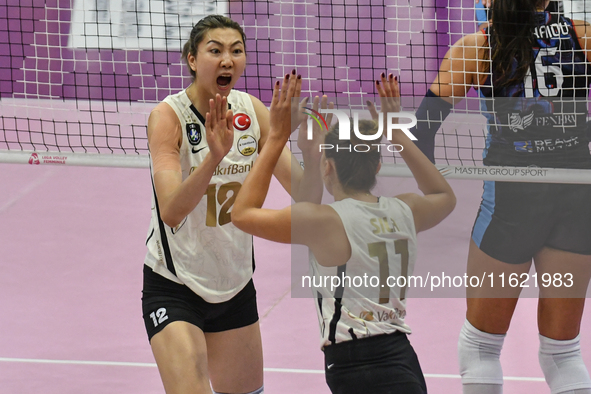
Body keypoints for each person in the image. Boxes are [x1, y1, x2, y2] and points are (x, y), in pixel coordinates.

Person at [231, 74, 456, 394]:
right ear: (377, 166)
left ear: (328, 167)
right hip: (401, 356)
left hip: (353, 364)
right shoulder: (406, 210)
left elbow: (241, 214)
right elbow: (443, 195)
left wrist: (278, 137)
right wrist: (396, 133)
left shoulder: (323, 221)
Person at [412, 1, 591, 393]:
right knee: (564, 352)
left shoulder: (477, 47)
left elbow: (420, 133)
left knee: (481, 347)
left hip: (512, 203)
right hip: (576, 200)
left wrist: (432, 192)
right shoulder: (582, 36)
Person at [141, 14, 319, 394]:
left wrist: (307, 151)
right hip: (175, 285)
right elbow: (171, 210)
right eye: (215, 50)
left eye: (236, 51)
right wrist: (213, 158)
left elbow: (308, 197)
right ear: (192, 58)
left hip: (234, 285)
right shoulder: (168, 118)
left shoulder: (253, 111)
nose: (227, 60)